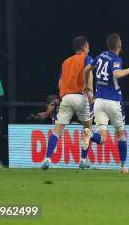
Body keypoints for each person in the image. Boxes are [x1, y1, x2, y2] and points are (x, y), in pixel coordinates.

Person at [84, 33, 129, 174]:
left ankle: (89, 135)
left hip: (99, 101)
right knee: (121, 134)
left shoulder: (101, 56)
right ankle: (122, 166)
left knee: (102, 138)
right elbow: (116, 74)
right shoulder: (116, 59)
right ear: (119, 45)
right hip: (113, 101)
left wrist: (87, 85)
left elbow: (86, 69)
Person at [41, 36, 96, 170]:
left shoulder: (65, 62)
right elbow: (89, 71)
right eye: (88, 47)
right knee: (87, 128)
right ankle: (83, 160)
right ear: (84, 48)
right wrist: (90, 90)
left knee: (57, 130)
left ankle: (47, 158)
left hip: (65, 97)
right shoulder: (87, 59)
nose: (88, 49)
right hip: (80, 96)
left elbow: (60, 83)